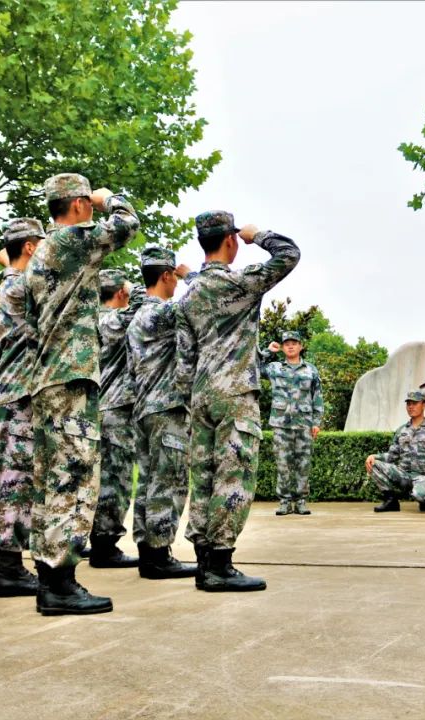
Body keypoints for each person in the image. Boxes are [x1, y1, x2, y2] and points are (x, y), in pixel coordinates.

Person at [24, 173, 138, 615]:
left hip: (55, 378)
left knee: (55, 479)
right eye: (87, 202)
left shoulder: (47, 253)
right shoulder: (70, 241)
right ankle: (59, 582)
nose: (92, 208)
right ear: (75, 205)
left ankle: (53, 579)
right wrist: (112, 198)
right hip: (68, 379)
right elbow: (127, 223)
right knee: (72, 480)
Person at [176, 211, 300, 592]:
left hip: (201, 395)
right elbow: (289, 254)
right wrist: (257, 234)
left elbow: (183, 363)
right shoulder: (240, 283)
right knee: (234, 476)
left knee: (205, 478)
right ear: (230, 240)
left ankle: (202, 560)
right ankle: (220, 564)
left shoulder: (189, 295)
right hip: (235, 394)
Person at [0, 218, 45, 597]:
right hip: (19, 396)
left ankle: (3, 563)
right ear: (31, 248)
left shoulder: (3, 289)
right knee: (17, 483)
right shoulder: (23, 286)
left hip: (2, 393)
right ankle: (8, 567)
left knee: (3, 481)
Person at [125, 245, 197, 580]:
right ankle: (158, 553)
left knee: (150, 482)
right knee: (168, 482)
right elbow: (202, 298)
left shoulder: (137, 316)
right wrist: (191, 275)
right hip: (166, 408)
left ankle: (148, 552)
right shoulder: (162, 313)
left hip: (144, 409)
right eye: (174, 278)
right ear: (166, 275)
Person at [92, 270, 145, 568]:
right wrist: (134, 287)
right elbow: (142, 302)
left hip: (98, 408)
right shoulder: (114, 319)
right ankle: (105, 545)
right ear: (121, 294)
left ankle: (95, 540)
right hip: (115, 410)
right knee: (116, 480)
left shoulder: (89, 319)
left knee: (99, 480)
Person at [261, 331, 323, 516]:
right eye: (286, 343)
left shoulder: (311, 370)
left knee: (303, 463)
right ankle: (285, 502)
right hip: (281, 424)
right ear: (282, 346)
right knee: (283, 463)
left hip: (304, 423)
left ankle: (301, 501)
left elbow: (317, 397)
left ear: (301, 346)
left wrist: (317, 422)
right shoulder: (274, 367)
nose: (290, 346)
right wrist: (268, 352)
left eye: (294, 343)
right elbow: (254, 368)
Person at [366, 391, 425, 513]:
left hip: (423, 476)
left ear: (424, 405)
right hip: (403, 475)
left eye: (415, 403)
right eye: (408, 404)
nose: (411, 407)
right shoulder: (401, 430)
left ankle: (424, 498)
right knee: (373, 463)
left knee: (421, 495)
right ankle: (391, 500)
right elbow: (392, 455)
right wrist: (374, 456)